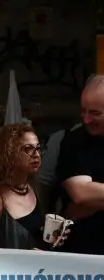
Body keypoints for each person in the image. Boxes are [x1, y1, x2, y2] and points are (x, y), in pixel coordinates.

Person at [0, 124, 48, 249]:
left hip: (37, 268)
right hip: (5, 268)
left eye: (38, 148)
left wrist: (56, 237)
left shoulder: (34, 188)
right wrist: (23, 257)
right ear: (9, 153)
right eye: (28, 149)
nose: (36, 155)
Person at [56, 74, 104, 255]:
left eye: (95, 113)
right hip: (83, 253)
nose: (86, 119)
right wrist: (89, 199)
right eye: (83, 111)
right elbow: (82, 195)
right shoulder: (74, 141)